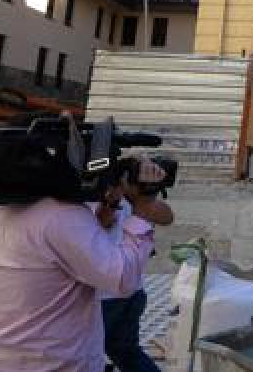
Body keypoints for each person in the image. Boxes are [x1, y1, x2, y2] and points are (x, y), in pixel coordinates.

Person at [0, 158, 167, 371]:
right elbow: (123, 277)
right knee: (126, 351)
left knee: (125, 351)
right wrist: (144, 208)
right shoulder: (64, 216)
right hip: (54, 362)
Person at [94, 158, 174, 372]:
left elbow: (167, 216)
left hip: (107, 297)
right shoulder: (107, 198)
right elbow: (102, 222)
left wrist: (145, 195)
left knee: (95, 352)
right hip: (130, 293)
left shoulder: (135, 202)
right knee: (126, 352)